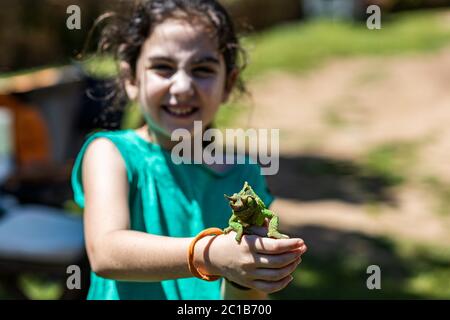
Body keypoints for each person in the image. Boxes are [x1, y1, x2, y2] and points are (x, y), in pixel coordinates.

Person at [72, 0, 307, 300]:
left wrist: (247, 274)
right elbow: (105, 253)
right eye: (163, 67)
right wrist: (209, 254)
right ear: (131, 78)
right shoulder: (110, 153)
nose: (182, 86)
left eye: (202, 69)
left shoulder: (245, 174)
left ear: (228, 84)